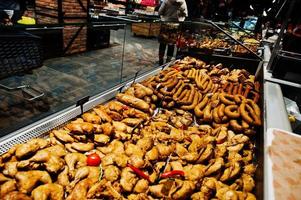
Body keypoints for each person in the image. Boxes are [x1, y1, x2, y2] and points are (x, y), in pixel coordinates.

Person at [158, 0, 188, 65]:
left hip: (165, 24)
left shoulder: (166, 1)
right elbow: (185, 14)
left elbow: (160, 12)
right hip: (176, 26)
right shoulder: (183, 1)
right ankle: (167, 62)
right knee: (171, 44)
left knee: (162, 43)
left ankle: (161, 61)